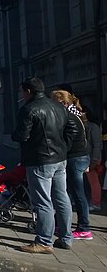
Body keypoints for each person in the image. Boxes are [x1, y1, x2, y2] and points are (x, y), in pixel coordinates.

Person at [13, 77, 75, 254]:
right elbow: (72, 128)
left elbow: (22, 135)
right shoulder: (58, 105)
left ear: (28, 92)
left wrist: (15, 135)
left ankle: (44, 241)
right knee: (61, 197)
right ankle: (66, 237)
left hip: (40, 159)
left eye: (21, 91)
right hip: (59, 158)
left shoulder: (29, 109)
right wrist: (65, 147)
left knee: (42, 201)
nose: (20, 94)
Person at [51, 90, 92, 240]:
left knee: (77, 193)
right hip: (79, 156)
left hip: (75, 157)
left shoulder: (69, 117)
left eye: (55, 102)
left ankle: (84, 228)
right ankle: (60, 223)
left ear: (64, 103)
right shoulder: (75, 114)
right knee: (66, 192)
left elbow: (69, 140)